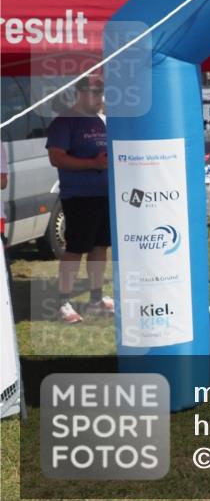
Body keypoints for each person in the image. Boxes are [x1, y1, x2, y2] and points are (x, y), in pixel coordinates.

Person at [45, 76, 115, 323]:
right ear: (80, 93)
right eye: (95, 92)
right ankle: (63, 302)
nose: (99, 97)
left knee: (100, 247)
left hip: (104, 193)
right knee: (75, 249)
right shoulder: (64, 122)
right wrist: (92, 163)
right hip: (79, 196)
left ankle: (96, 298)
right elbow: (56, 158)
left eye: (101, 92)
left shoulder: (98, 121)